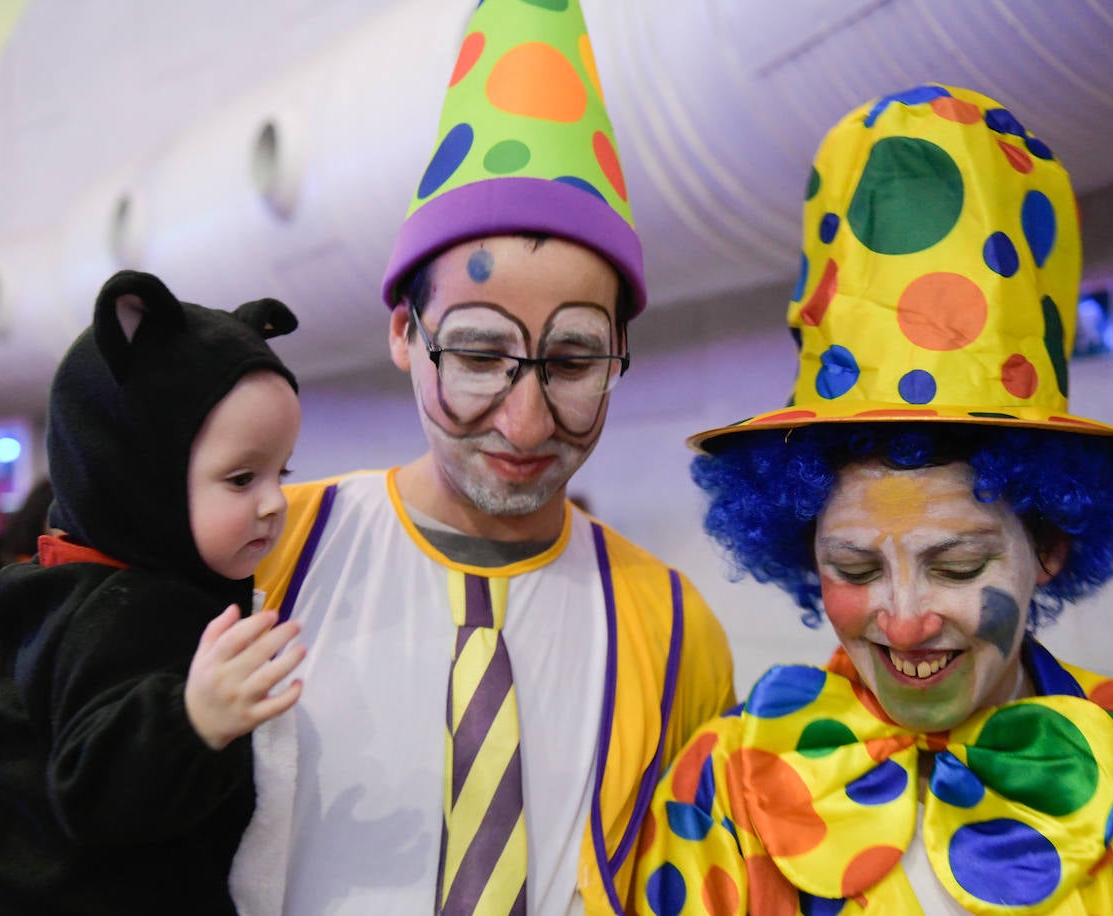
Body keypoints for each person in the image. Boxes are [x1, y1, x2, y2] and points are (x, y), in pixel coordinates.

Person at [631, 85, 1113, 914]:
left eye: (958, 563)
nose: (902, 621)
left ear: (1051, 543)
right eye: (853, 564)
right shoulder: (721, 787)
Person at [228, 2, 734, 913]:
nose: (529, 421)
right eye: (476, 356)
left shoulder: (673, 627)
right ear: (403, 335)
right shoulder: (262, 559)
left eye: (574, 361)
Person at [0, 270, 306, 915]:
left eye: (282, 471)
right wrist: (191, 721)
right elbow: (91, 789)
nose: (276, 502)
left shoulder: (97, 588)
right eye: (242, 478)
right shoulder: (125, 613)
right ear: (137, 477)